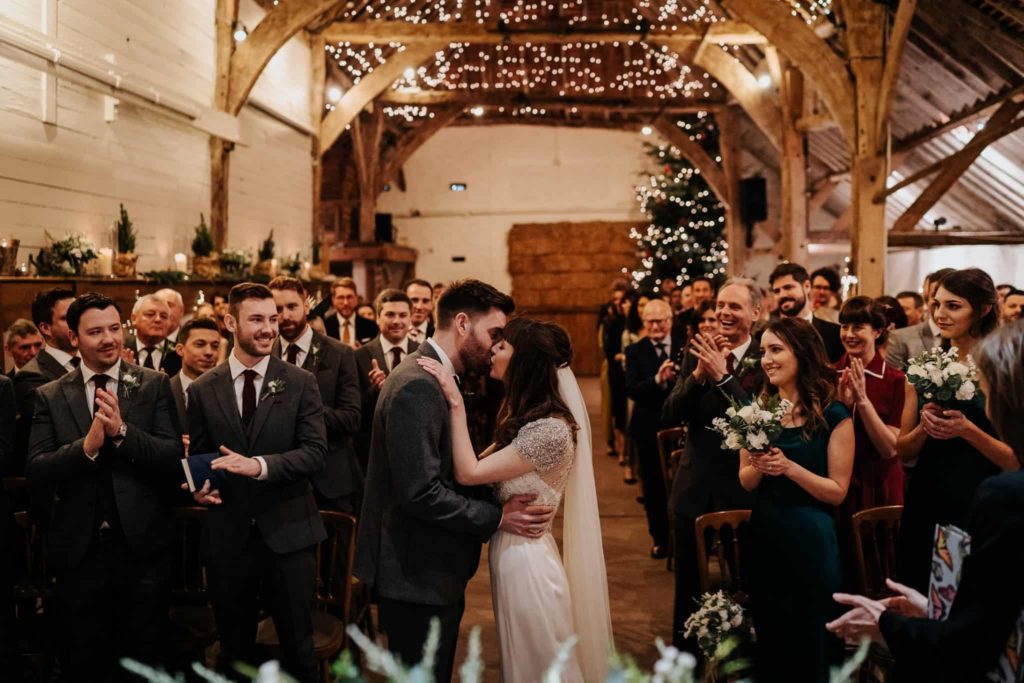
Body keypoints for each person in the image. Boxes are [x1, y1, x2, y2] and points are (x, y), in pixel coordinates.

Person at [354, 279, 552, 683]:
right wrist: (497, 518)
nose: (498, 345)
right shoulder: (417, 385)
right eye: (494, 333)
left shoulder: (439, 376)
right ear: (462, 323)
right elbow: (421, 493)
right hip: (415, 572)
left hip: (427, 567)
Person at [417, 317, 613, 683]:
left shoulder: (550, 431)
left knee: (540, 665)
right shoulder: (528, 420)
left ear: (524, 362)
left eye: (503, 346)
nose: (493, 350)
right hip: (513, 555)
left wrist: (455, 404)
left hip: (529, 564)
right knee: (524, 662)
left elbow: (470, 472)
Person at [828, 320, 1024, 681]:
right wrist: (932, 610)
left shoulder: (1008, 496)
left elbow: (972, 643)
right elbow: (1001, 610)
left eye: (987, 387)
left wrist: (885, 624)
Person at [27, 292, 183, 680]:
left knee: (143, 662)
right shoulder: (50, 394)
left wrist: (122, 433)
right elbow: (37, 467)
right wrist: (88, 447)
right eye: (96, 331)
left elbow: (169, 456)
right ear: (74, 338)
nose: (110, 338)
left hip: (143, 547)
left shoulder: (151, 384)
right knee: (85, 661)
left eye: (115, 328)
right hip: (79, 550)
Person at [185, 283, 328, 683]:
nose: (269, 328)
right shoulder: (202, 389)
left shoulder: (300, 382)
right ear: (230, 322)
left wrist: (260, 466)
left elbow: (315, 453)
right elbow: (203, 457)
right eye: (257, 320)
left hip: (288, 534)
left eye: (273, 319)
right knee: (234, 652)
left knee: (299, 651)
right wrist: (202, 486)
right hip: (229, 538)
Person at [740, 317, 854, 682]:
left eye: (776, 350)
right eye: (763, 352)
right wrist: (759, 464)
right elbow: (745, 481)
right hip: (765, 535)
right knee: (772, 633)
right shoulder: (756, 413)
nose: (767, 360)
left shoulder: (834, 415)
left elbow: (838, 491)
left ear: (802, 354)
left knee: (813, 636)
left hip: (812, 540)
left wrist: (788, 467)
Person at [894, 268, 1016, 594]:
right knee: (919, 593)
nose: (940, 315)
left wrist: (967, 430)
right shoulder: (924, 367)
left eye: (953, 306)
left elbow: (1015, 461)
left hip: (980, 498)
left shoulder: (1003, 370)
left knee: (968, 598)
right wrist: (923, 426)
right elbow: (903, 451)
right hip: (928, 495)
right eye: (936, 305)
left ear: (983, 309)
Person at [663, 278, 763, 653]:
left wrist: (724, 376)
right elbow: (669, 413)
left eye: (734, 306)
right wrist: (698, 375)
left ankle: (744, 657)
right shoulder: (698, 352)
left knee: (747, 580)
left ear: (755, 313)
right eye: (721, 305)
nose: (724, 312)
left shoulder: (766, 356)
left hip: (745, 488)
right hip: (696, 485)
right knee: (689, 584)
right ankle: (686, 660)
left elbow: (756, 420)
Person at [270, 276, 362, 513]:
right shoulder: (264, 353)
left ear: (306, 306)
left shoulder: (339, 353)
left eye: (292, 306)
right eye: (277, 309)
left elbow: (351, 418)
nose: (286, 315)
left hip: (330, 478)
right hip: (279, 482)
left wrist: (302, 409)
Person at [836, 297, 906, 515]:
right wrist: (842, 408)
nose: (848, 334)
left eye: (858, 327)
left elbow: (889, 449)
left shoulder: (896, 380)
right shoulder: (828, 375)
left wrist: (862, 402)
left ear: (877, 332)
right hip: (837, 483)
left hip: (879, 484)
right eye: (844, 327)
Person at [624, 298, 680, 559]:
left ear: (670, 320)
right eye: (650, 321)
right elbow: (632, 389)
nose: (655, 326)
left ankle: (682, 539)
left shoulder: (683, 346)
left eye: (660, 320)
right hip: (648, 427)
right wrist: (657, 380)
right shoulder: (636, 350)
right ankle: (660, 538)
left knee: (681, 486)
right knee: (655, 487)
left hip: (680, 426)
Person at [13, 288, 78, 475]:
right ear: (45, 328)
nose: (77, 322)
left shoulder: (92, 362)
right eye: (67, 318)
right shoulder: (30, 376)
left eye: (79, 315)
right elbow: (66, 427)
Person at [353, 289, 419, 472]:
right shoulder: (358, 356)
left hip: (414, 452)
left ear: (410, 318)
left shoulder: (422, 353)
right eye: (390, 314)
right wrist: (375, 390)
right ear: (377, 317)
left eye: (402, 315)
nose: (397, 321)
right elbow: (353, 409)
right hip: (372, 455)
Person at [769, 262, 844, 364]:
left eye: (788, 287)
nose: (782, 295)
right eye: (777, 291)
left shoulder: (835, 334)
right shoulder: (768, 335)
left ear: (807, 286)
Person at [886, 268, 954, 371]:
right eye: (935, 295)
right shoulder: (900, 338)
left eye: (950, 297)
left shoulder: (973, 339)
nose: (941, 303)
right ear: (926, 299)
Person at [170, 318, 222, 436]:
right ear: (180, 349)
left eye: (215, 346)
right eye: (200, 344)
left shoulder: (227, 391)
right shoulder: (164, 390)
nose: (209, 352)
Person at [126, 294, 181, 375]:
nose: (158, 319)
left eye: (164, 316)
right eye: (150, 314)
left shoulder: (179, 354)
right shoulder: (122, 351)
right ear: (134, 319)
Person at [323, 277, 378, 347]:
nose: (346, 302)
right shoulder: (325, 326)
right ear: (333, 300)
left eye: (349, 297)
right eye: (341, 297)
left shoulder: (371, 326)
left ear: (356, 298)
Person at [405, 278, 436, 342]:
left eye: (425, 301)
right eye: (414, 300)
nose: (419, 307)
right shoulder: (388, 334)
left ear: (431, 304)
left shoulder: (438, 335)